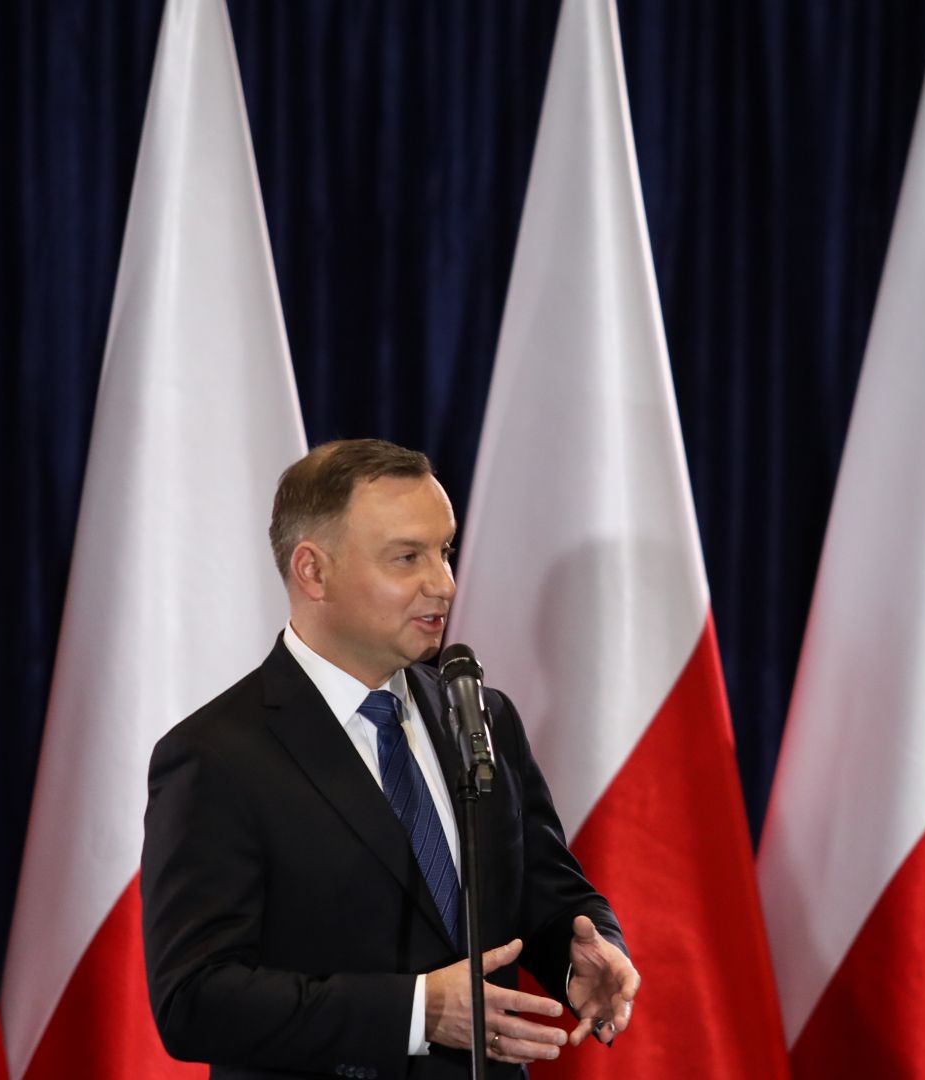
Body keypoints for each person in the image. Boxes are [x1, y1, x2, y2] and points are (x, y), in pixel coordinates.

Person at [142, 439, 640, 1079]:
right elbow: (194, 1001)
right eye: (408, 557)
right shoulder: (215, 756)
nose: (444, 583)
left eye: (445, 551)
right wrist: (416, 1011)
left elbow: (543, 892)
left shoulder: (483, 714)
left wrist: (582, 956)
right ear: (313, 571)